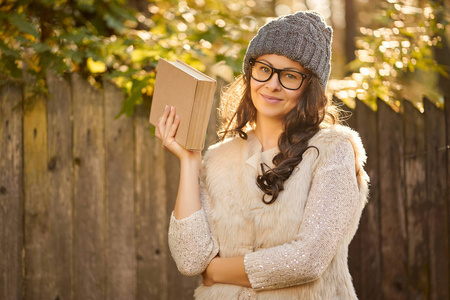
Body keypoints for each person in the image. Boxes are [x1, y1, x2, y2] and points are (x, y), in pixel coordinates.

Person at [155, 10, 369, 300]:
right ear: (250, 71)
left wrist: (216, 272)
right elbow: (191, 260)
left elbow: (307, 260)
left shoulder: (333, 150)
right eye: (264, 68)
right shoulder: (218, 159)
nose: (272, 84)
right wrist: (189, 161)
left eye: (290, 76)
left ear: (310, 87)